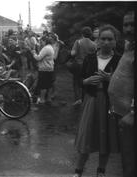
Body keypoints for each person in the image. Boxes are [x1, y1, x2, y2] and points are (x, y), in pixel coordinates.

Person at [72, 24, 121, 177]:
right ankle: (78, 171)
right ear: (98, 40)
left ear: (115, 41)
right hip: (91, 100)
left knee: (105, 137)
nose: (106, 42)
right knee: (86, 137)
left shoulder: (120, 60)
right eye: (103, 39)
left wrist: (111, 79)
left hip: (109, 103)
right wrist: (86, 82)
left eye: (110, 39)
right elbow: (79, 80)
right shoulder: (90, 58)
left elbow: (125, 84)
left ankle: (101, 171)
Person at [108, 11, 135, 177]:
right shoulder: (129, 46)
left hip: (130, 116)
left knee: (130, 161)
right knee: (125, 158)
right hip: (121, 113)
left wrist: (133, 112)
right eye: (126, 24)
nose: (129, 28)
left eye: (133, 24)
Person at [70, 26, 97, 106]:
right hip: (89, 66)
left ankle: (78, 99)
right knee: (86, 82)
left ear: (82, 34)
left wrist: (72, 51)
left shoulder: (78, 42)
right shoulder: (94, 44)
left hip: (78, 64)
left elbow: (73, 53)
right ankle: (84, 99)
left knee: (76, 82)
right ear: (90, 34)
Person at [31, 36, 55, 104]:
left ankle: (42, 99)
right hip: (50, 68)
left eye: (41, 41)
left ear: (45, 41)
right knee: (49, 84)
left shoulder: (46, 48)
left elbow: (38, 58)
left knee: (43, 85)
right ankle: (49, 98)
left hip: (44, 69)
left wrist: (33, 53)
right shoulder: (50, 47)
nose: (40, 43)